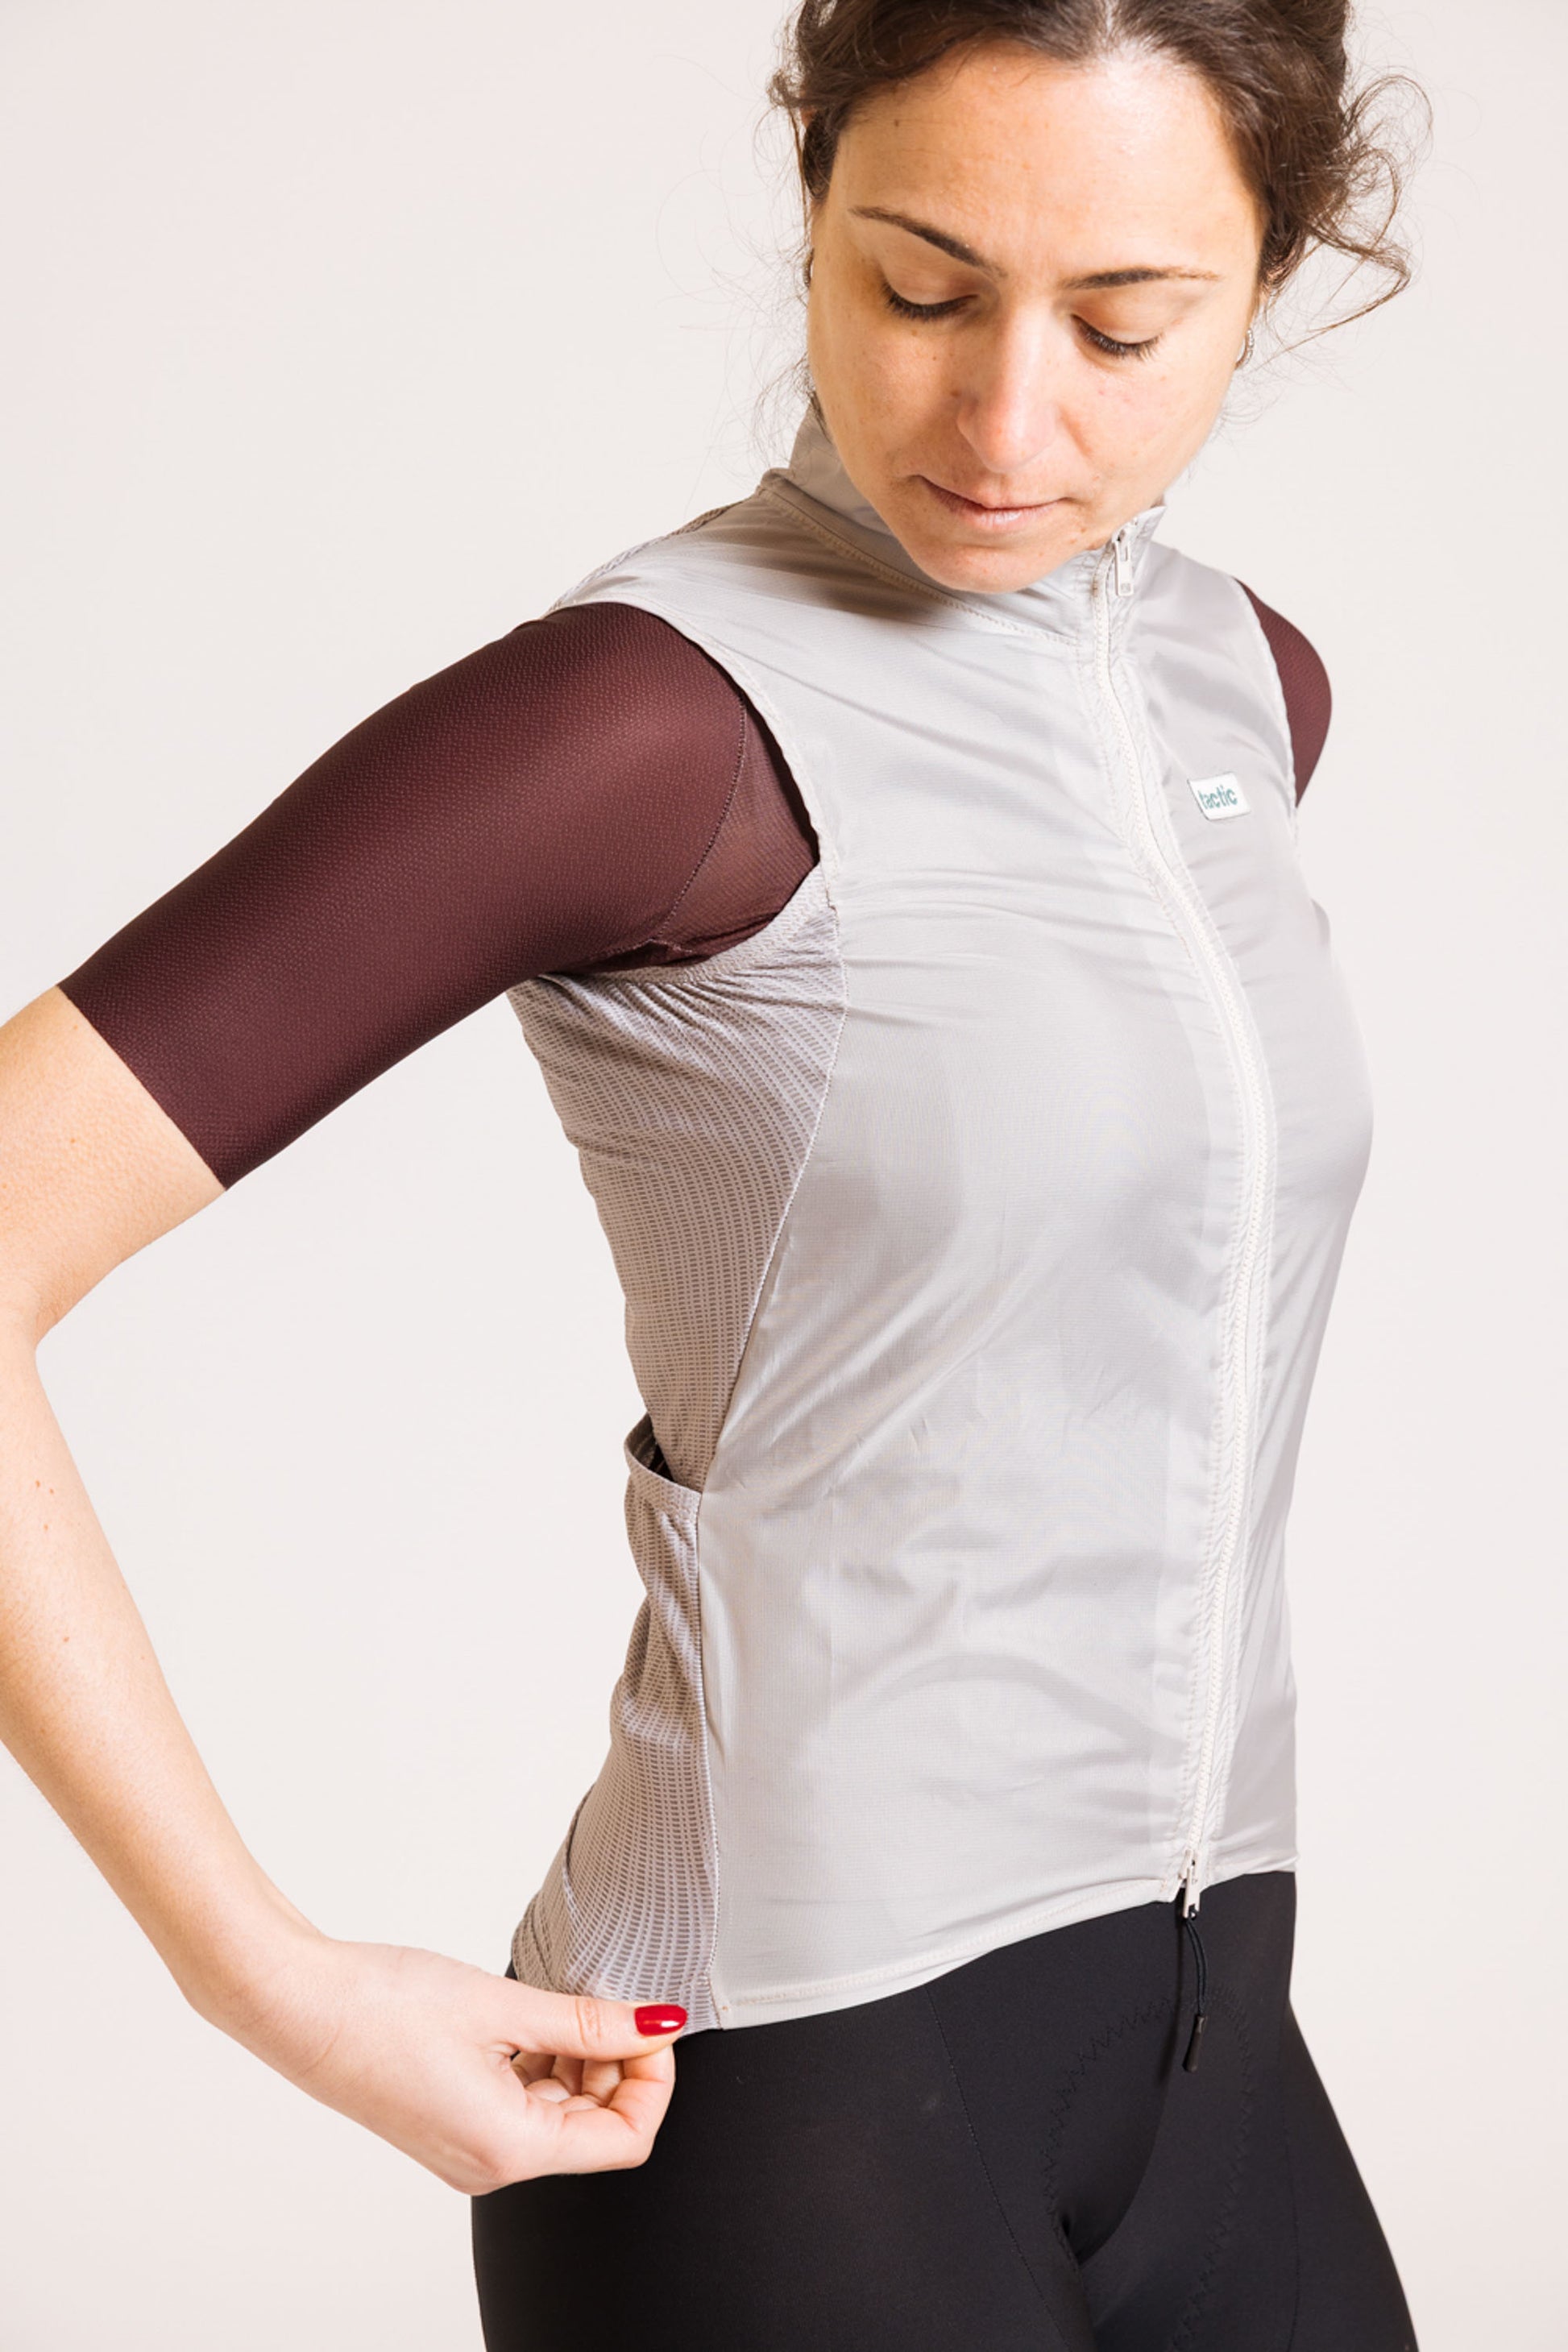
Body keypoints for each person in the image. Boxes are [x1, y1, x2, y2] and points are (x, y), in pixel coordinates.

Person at [0, 1, 1425, 2344]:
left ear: (1268, 278)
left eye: (1121, 324)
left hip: (1213, 2042)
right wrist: (261, 1977)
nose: (1005, 421)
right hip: (781, 2107)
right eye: (922, 286)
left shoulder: (1244, 690)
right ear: (813, 208)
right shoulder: (638, 721)